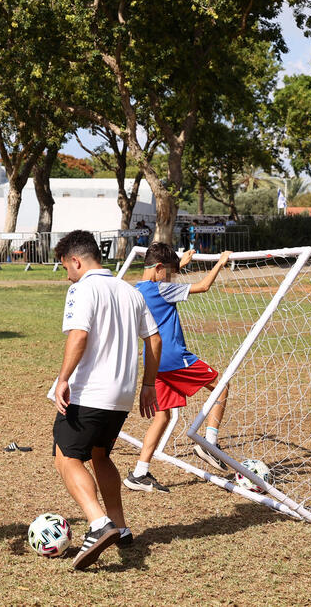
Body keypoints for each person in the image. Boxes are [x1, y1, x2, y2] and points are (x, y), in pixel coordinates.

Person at [48, 230, 160, 571]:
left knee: (66, 458)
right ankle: (121, 527)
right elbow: (154, 340)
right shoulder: (130, 291)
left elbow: (79, 335)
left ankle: (98, 524)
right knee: (100, 454)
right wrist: (148, 385)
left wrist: (63, 379)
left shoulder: (81, 289)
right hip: (122, 394)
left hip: (89, 392)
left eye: (66, 266)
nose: (66, 274)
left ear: (77, 261)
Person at [124, 244, 232, 494]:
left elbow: (161, 277)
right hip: (174, 358)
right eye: (170, 272)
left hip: (153, 361)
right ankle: (209, 443)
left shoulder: (137, 290)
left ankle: (139, 473)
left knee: (163, 416)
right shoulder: (163, 289)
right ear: (160, 269)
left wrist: (181, 263)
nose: (172, 277)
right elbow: (203, 286)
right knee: (221, 387)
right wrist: (220, 262)